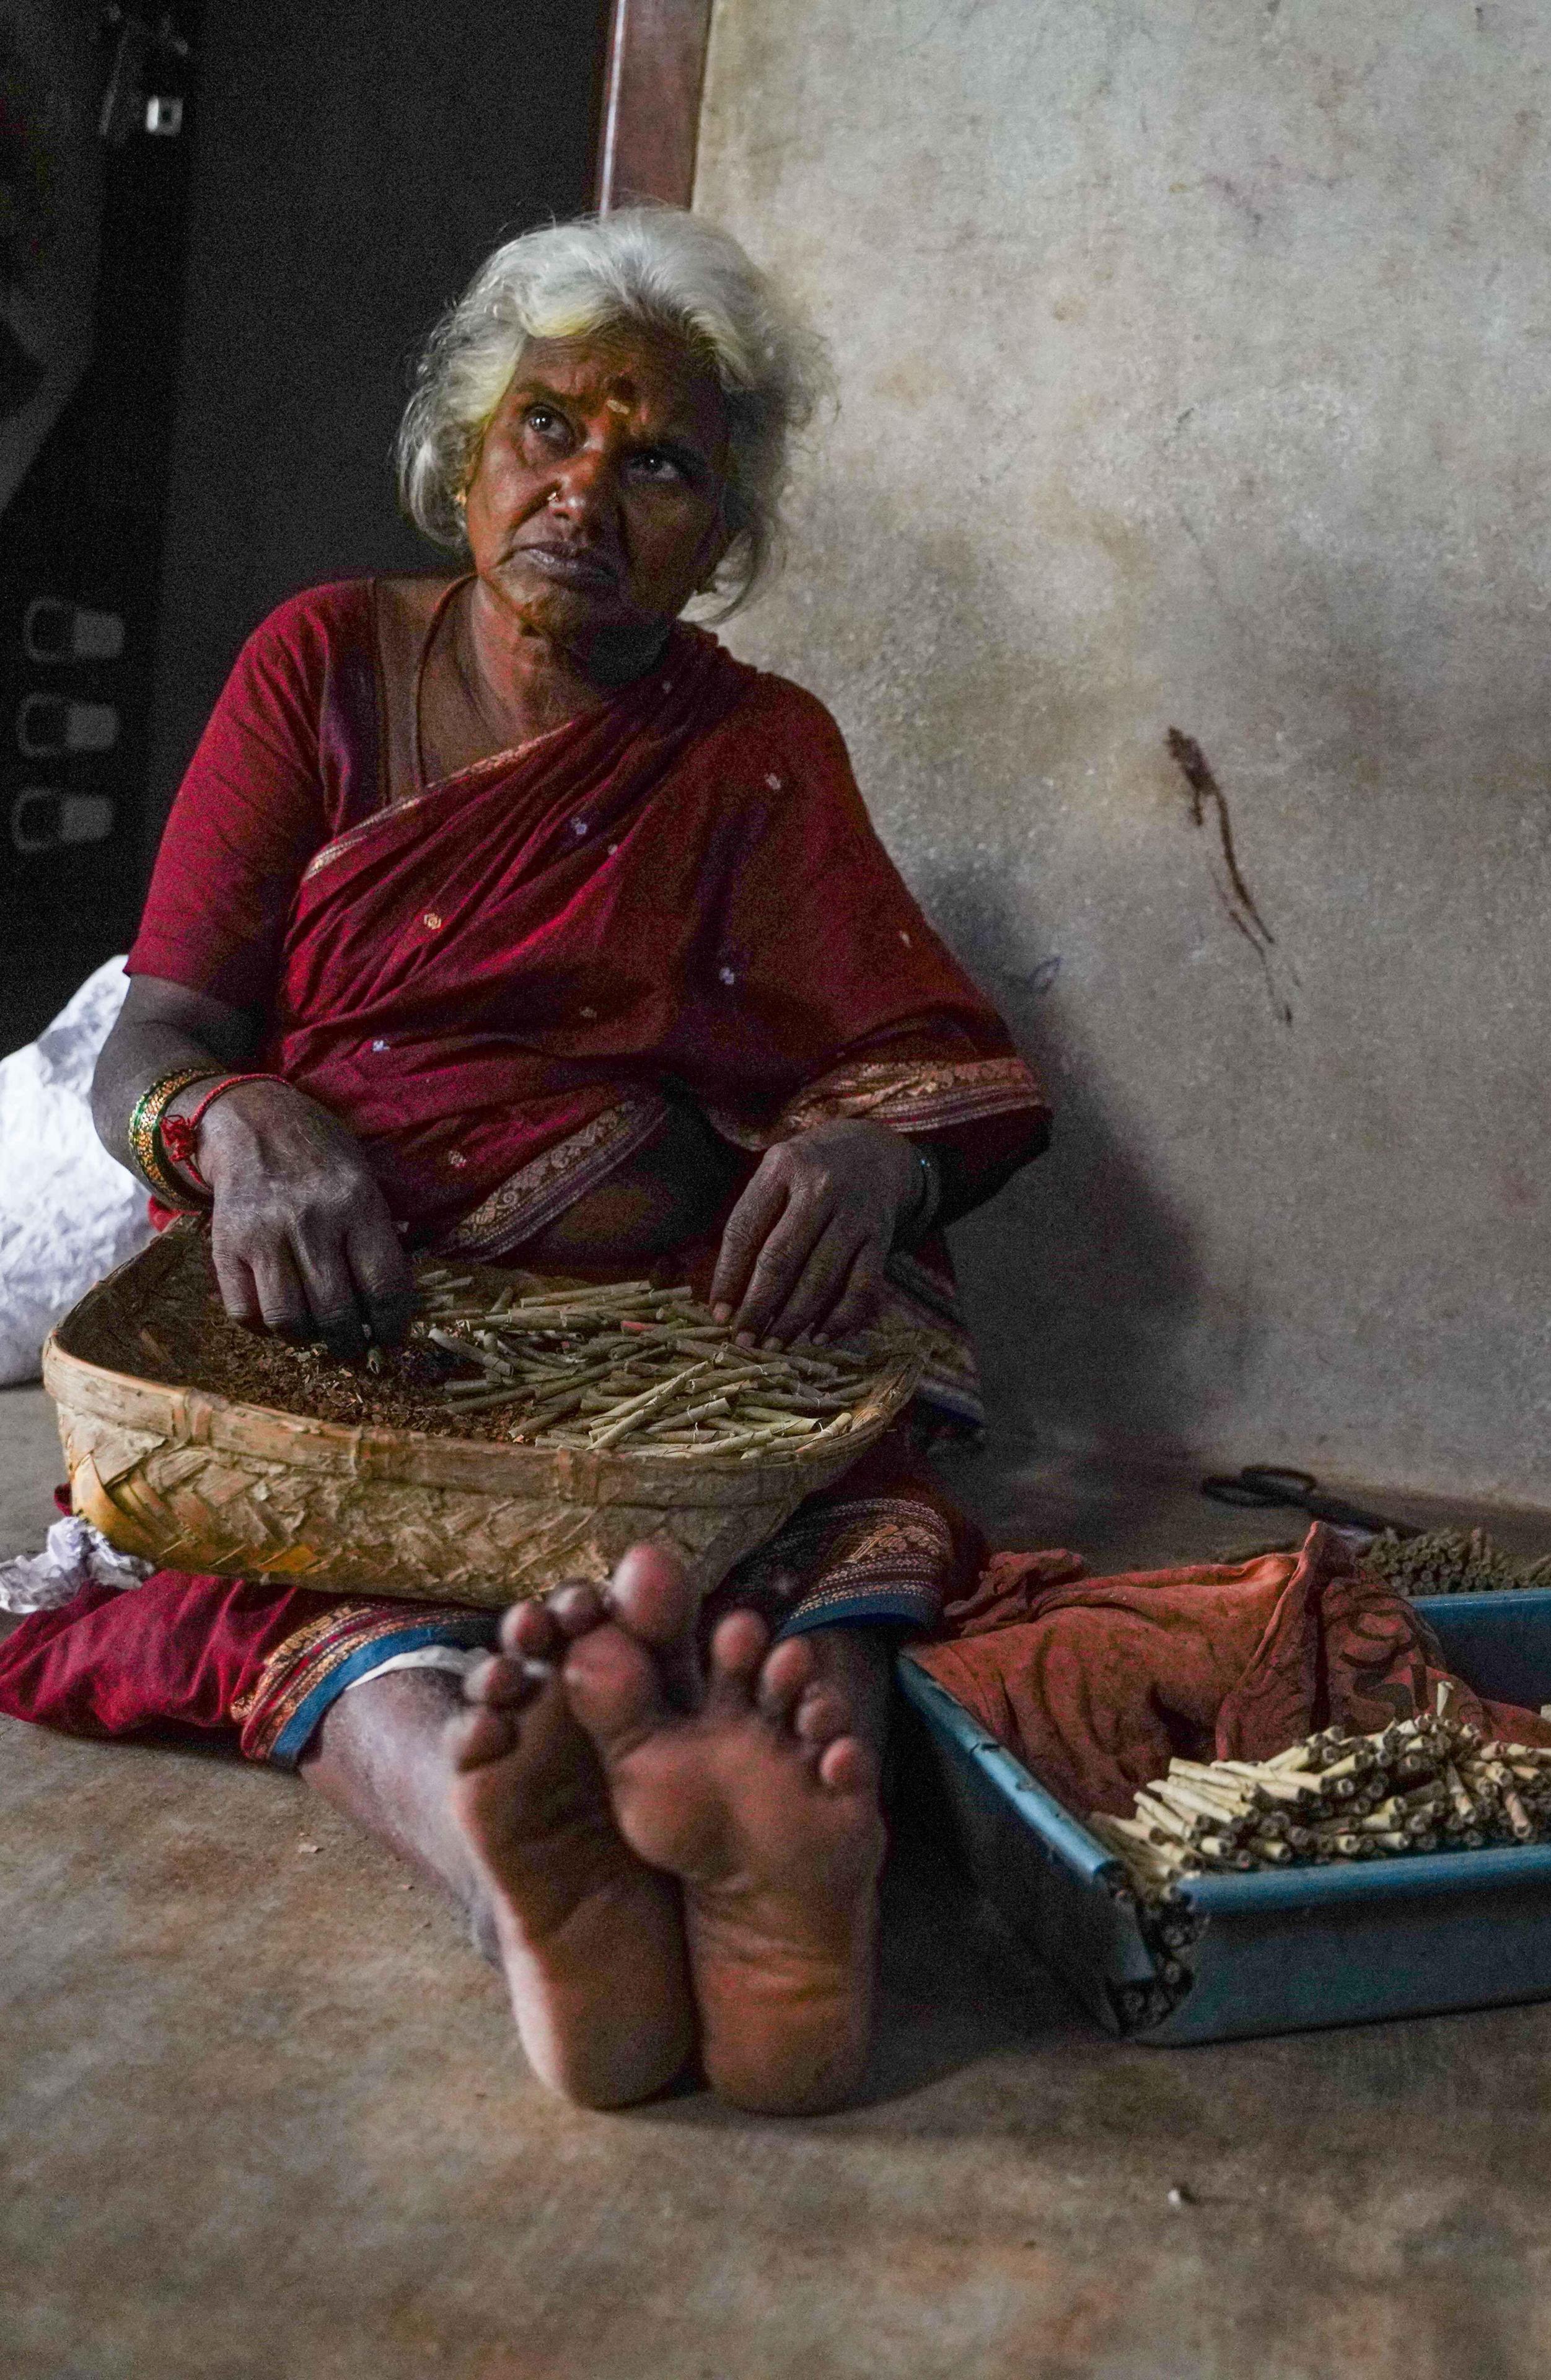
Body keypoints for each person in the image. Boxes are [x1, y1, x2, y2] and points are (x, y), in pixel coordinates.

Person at [0, 210, 1050, 2112]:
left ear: (722, 534)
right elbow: (161, 1035)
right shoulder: (320, 663)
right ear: (465, 454)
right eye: (547, 428)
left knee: (835, 1521)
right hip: (350, 1331)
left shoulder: (751, 748)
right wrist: (243, 1122)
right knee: (274, 1573)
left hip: (660, 1350)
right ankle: (516, 1860)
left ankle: (789, 1844)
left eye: (657, 461)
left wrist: (867, 1167)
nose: (585, 486)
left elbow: (922, 1055)